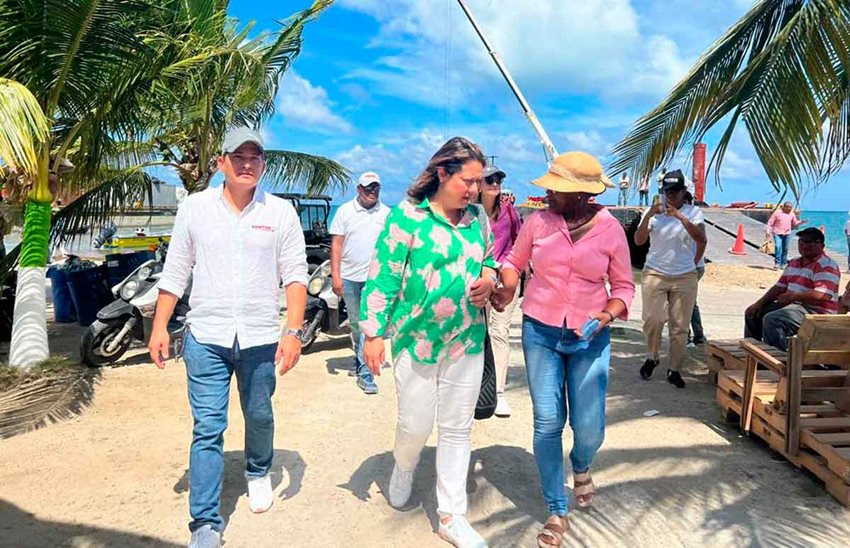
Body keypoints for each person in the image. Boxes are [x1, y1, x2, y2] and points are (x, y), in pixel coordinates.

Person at [148, 128, 308, 548]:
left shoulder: (281, 213)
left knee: (259, 415)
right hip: (206, 335)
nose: (246, 163)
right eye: (238, 156)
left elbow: (295, 276)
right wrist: (160, 325)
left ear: (264, 165)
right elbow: (176, 270)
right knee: (207, 427)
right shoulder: (195, 209)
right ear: (221, 162)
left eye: (254, 157)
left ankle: (258, 470)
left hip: (259, 338)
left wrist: (293, 332)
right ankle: (204, 522)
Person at [491, 151, 634, 547]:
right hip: (540, 330)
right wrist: (506, 285)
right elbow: (513, 262)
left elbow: (623, 287)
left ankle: (582, 464)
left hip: (590, 337)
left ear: (581, 194)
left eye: (557, 187)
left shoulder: (610, 230)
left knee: (589, 426)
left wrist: (606, 315)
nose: (548, 192)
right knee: (548, 423)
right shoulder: (538, 222)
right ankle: (557, 509)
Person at [361, 137, 497, 548]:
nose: (474, 190)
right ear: (443, 173)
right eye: (468, 181)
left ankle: (450, 515)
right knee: (416, 425)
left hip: (466, 341)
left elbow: (489, 259)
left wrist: (488, 279)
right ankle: (404, 466)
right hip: (416, 342)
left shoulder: (478, 218)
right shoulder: (407, 219)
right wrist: (372, 334)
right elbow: (383, 276)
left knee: (458, 429)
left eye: (478, 182)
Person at [634, 169, 707, 389]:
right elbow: (638, 241)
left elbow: (701, 238)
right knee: (653, 319)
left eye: (675, 191)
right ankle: (652, 356)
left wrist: (679, 216)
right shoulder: (653, 212)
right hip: (655, 271)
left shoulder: (694, 213)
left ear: (684, 191)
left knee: (680, 326)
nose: (671, 196)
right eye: (668, 191)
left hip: (684, 275)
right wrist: (648, 215)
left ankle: (674, 368)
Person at [329, 171, 390, 394]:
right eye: (368, 187)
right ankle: (359, 357)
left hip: (375, 279)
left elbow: (392, 247)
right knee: (355, 323)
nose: (372, 191)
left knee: (367, 323)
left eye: (376, 187)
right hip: (349, 277)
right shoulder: (345, 211)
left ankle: (365, 375)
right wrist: (335, 275)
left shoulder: (386, 213)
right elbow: (336, 245)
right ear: (359, 189)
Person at [745, 227, 839, 350]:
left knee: (773, 319)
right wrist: (759, 303)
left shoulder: (826, 265)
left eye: (809, 242)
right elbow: (779, 287)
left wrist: (793, 297)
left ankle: (779, 359)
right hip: (793, 306)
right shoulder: (794, 262)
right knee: (752, 313)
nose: (804, 245)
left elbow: (822, 295)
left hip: (815, 311)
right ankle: (753, 351)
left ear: (821, 245)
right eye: (801, 241)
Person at [477, 162, 522, 418]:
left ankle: (500, 392)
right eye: (490, 179)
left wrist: (518, 269)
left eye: (498, 179)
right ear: (479, 184)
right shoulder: (470, 212)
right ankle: (481, 387)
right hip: (479, 280)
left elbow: (519, 240)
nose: (495, 183)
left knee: (499, 332)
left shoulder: (509, 211)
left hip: (505, 279)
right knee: (478, 333)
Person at [685, 179, 706, 346]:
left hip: (692, 266)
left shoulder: (693, 214)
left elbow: (701, 241)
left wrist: (693, 264)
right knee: (689, 301)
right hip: (689, 265)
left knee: (686, 301)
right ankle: (695, 335)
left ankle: (692, 335)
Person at [767, 202, 806, 269]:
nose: (789, 209)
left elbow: (795, 223)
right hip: (777, 233)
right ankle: (777, 263)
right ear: (784, 207)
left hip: (787, 233)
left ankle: (783, 264)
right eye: (788, 207)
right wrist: (768, 232)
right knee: (778, 247)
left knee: (785, 249)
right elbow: (770, 223)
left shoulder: (792, 214)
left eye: (790, 207)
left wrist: (801, 222)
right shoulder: (777, 213)